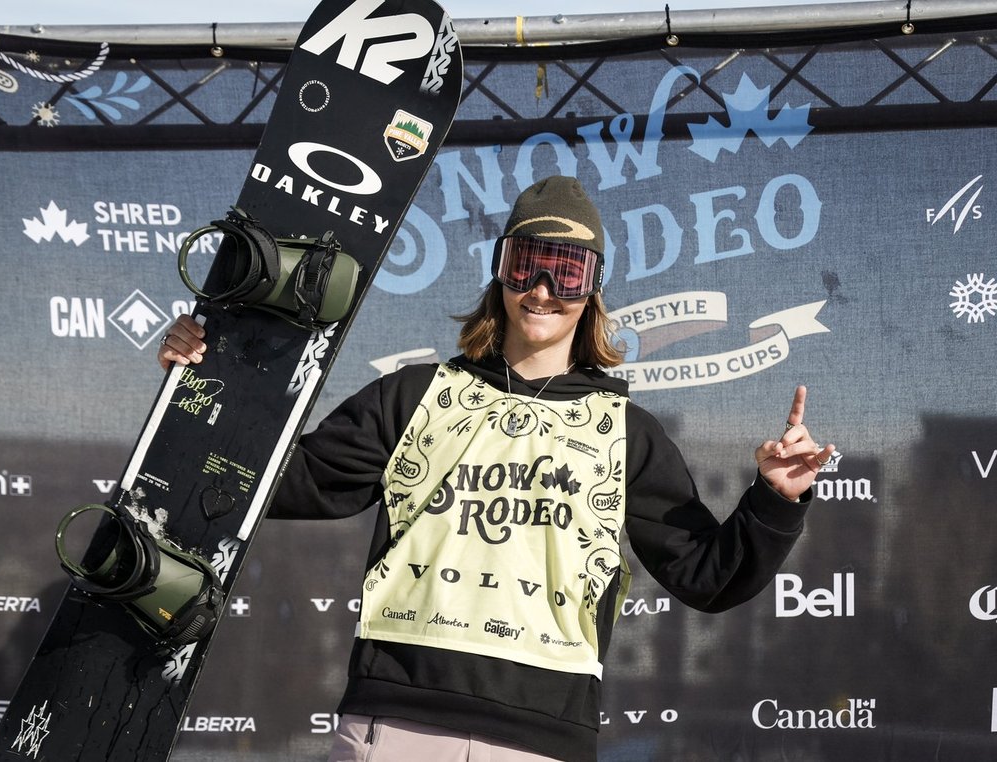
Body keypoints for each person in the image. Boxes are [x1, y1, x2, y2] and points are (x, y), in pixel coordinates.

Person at [159, 176, 834, 762]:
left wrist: (775, 499)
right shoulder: (414, 396)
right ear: (501, 272)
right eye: (527, 265)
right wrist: (201, 386)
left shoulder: (626, 432)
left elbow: (707, 576)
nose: (542, 290)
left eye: (567, 272)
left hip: (541, 736)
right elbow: (281, 480)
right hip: (396, 718)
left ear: (594, 288)